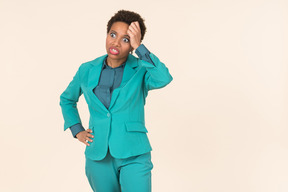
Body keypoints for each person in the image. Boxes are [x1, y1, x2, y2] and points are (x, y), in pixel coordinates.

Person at [59, 9, 173, 192]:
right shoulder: (87, 69)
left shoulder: (141, 69)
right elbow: (67, 99)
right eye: (113, 35)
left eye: (126, 39)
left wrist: (140, 49)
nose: (116, 42)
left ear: (133, 44)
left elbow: (164, 78)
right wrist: (77, 130)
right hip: (98, 157)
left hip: (134, 154)